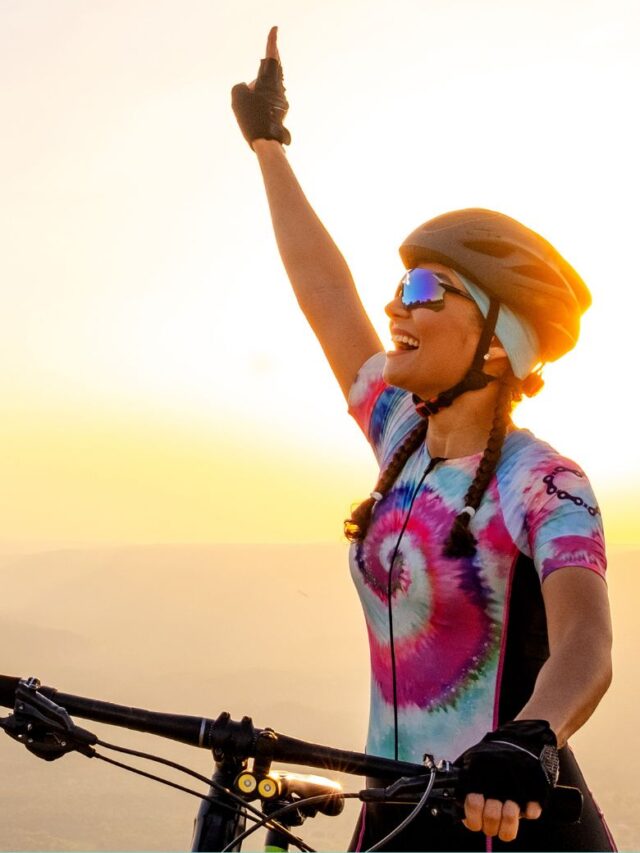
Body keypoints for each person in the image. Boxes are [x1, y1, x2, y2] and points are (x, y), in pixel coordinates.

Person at [231, 28, 616, 852]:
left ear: (500, 342)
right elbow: (326, 294)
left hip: (509, 818)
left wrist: (532, 735)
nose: (396, 307)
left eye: (424, 288)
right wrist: (270, 145)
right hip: (393, 818)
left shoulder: (543, 482)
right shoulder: (402, 435)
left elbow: (588, 643)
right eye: (398, 283)